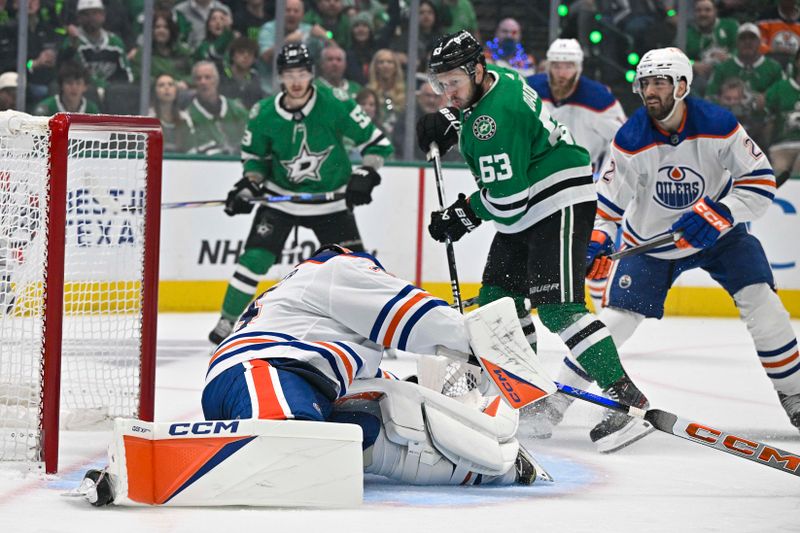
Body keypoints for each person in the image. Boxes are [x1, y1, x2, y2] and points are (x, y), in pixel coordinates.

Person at [416, 30, 652, 452]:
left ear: (476, 70)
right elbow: (506, 180)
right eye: (440, 84)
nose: (447, 93)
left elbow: (506, 202)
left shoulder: (492, 124)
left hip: (555, 200)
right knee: (496, 300)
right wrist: (454, 120)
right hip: (534, 195)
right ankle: (533, 401)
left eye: (453, 82)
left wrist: (463, 214)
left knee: (560, 309)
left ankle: (627, 400)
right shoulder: (497, 81)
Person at [554, 47, 800, 435]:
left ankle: (795, 395)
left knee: (763, 301)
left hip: (719, 235)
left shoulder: (718, 124)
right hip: (650, 241)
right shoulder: (631, 137)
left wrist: (723, 212)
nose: (650, 91)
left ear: (682, 85)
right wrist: (600, 236)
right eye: (645, 83)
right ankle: (558, 398)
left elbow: (761, 181)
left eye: (660, 82)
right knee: (618, 318)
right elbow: (607, 201)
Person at [207, 43, 394, 345]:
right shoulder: (264, 113)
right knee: (254, 258)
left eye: (303, 73)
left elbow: (377, 144)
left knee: (358, 269)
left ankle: (381, 328)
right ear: (280, 76)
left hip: (330, 201)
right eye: (290, 74)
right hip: (282, 199)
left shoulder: (336, 102)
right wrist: (250, 184)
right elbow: (255, 157)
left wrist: (366, 172)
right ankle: (227, 321)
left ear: (312, 74)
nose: (296, 81)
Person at [526, 38, 626, 312]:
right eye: (557, 65)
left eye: (568, 66)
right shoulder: (529, 90)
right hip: (536, 185)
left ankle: (603, 312)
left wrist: (605, 182)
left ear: (579, 68)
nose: (561, 72)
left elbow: (623, 143)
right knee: (526, 249)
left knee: (592, 252)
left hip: (585, 187)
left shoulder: (599, 98)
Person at [186, 61, 249, 156]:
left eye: (208, 77)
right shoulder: (189, 115)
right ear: (195, 83)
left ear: (216, 80)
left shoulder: (236, 109)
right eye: (199, 78)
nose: (203, 82)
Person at [766, 50, 800, 188]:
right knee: (777, 174)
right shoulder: (780, 87)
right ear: (797, 62)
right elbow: (766, 116)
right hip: (782, 144)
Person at [148, 73, 196, 153]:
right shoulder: (149, 120)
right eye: (161, 85)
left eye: (170, 85)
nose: (166, 88)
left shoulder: (185, 119)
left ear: (176, 91)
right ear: (155, 91)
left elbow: (192, 150)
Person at [32, 61, 100, 116]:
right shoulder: (46, 108)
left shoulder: (92, 110)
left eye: (78, 83)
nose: (74, 88)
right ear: (61, 85)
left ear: (85, 87)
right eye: (69, 83)